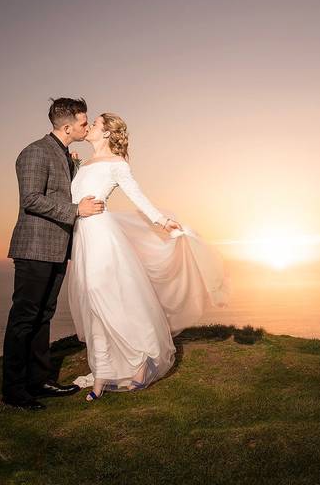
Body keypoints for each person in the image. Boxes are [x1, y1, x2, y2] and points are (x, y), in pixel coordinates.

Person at [65, 112, 229, 400]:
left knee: (102, 296)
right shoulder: (85, 164)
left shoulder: (117, 165)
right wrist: (74, 165)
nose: (89, 126)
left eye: (96, 124)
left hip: (102, 237)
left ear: (106, 133)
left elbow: (137, 196)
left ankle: (143, 357)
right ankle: (102, 373)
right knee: (92, 305)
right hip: (83, 238)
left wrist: (162, 220)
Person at [2, 97, 105, 410]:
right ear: (67, 126)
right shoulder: (34, 152)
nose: (87, 128)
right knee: (24, 320)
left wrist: (73, 167)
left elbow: (57, 190)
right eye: (83, 123)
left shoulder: (63, 154)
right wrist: (77, 210)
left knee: (43, 317)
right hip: (34, 248)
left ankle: (39, 381)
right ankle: (14, 391)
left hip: (57, 249)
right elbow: (30, 199)